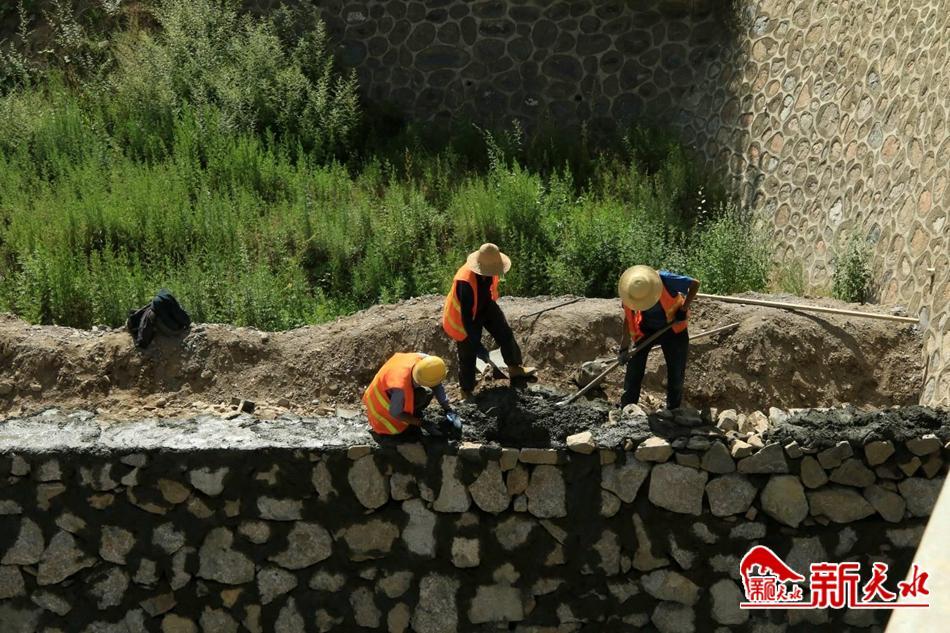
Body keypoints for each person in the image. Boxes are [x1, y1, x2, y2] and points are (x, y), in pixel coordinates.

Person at [442, 243, 535, 399]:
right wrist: (477, 345)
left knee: (504, 332)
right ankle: (466, 390)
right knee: (468, 353)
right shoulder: (464, 281)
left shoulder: (491, 268)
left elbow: (488, 291)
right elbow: (466, 318)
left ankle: (514, 368)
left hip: (485, 304)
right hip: (463, 317)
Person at [617, 265, 700, 410]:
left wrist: (684, 308)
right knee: (634, 365)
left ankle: (673, 409)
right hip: (646, 328)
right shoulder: (630, 292)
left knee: (676, 370)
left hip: (673, 327)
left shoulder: (665, 279)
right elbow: (628, 318)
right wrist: (623, 348)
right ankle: (628, 407)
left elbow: (695, 284)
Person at [363, 353, 461, 439]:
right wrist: (422, 423)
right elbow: (396, 414)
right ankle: (411, 420)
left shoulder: (426, 361)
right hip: (380, 409)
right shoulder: (400, 388)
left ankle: (413, 415)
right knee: (422, 395)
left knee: (426, 393)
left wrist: (448, 409)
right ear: (420, 381)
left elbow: (436, 383)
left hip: (387, 385)